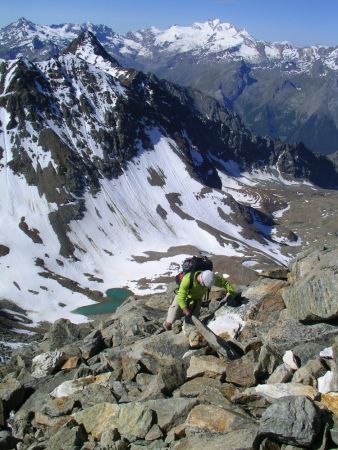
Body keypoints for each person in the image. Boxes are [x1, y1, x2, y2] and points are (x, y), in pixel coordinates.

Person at [163, 270, 237, 337]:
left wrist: (234, 295)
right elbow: (181, 299)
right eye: (204, 286)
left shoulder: (211, 277)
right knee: (170, 321)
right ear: (201, 281)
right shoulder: (188, 279)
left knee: (191, 325)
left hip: (196, 299)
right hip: (182, 298)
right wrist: (187, 312)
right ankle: (166, 333)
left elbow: (225, 283)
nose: (205, 287)